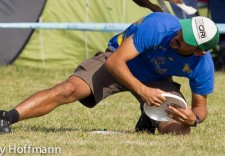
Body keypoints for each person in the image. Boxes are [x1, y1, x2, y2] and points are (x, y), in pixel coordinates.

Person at [0, 12, 219, 135]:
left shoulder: (203, 65)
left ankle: (150, 117)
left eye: (187, 40)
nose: (178, 37)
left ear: (199, 51)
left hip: (156, 79)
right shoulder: (159, 26)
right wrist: (143, 91)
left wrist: (194, 119)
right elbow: (115, 62)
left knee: (179, 133)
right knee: (70, 89)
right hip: (118, 61)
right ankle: (7, 117)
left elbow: (201, 106)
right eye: (183, 29)